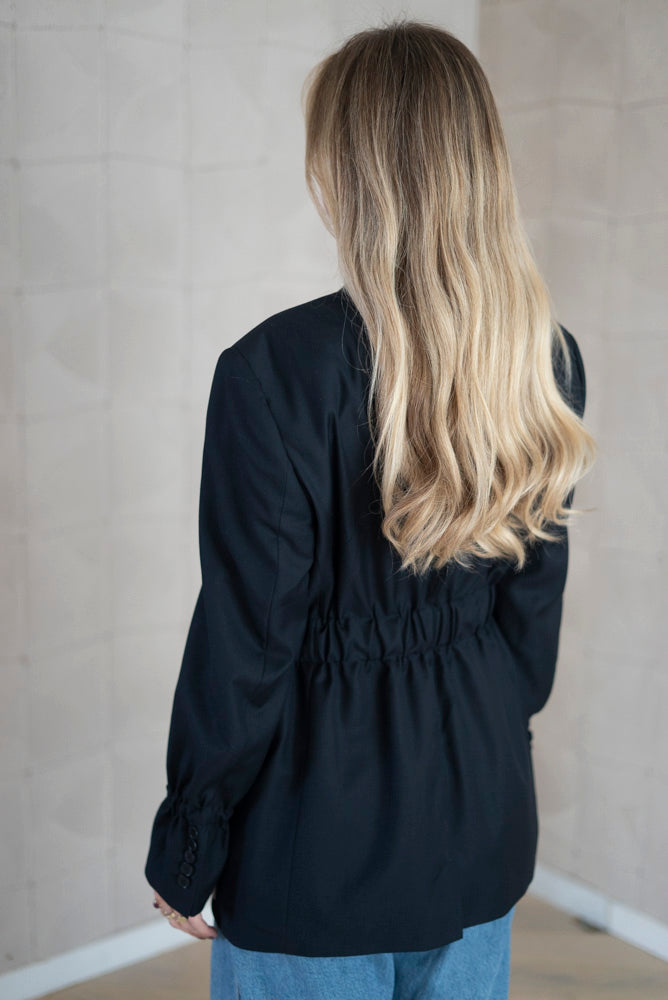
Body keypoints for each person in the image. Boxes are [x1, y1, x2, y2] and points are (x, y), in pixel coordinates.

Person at [144, 17, 597, 1000]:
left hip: (314, 851)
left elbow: (246, 643)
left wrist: (189, 841)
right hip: (481, 815)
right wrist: (475, 723)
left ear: (347, 174)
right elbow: (531, 616)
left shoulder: (271, 373)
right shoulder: (542, 359)